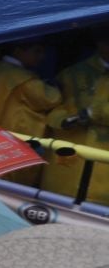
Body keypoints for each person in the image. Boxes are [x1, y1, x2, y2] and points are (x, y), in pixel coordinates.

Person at [0, 40, 60, 184]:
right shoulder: (22, 78)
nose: (41, 57)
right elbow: (49, 99)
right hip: (16, 131)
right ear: (17, 50)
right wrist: (57, 86)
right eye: (36, 51)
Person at [47, 30, 109, 204]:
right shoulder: (73, 73)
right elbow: (53, 106)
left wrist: (93, 113)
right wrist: (64, 120)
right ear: (99, 43)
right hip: (68, 163)